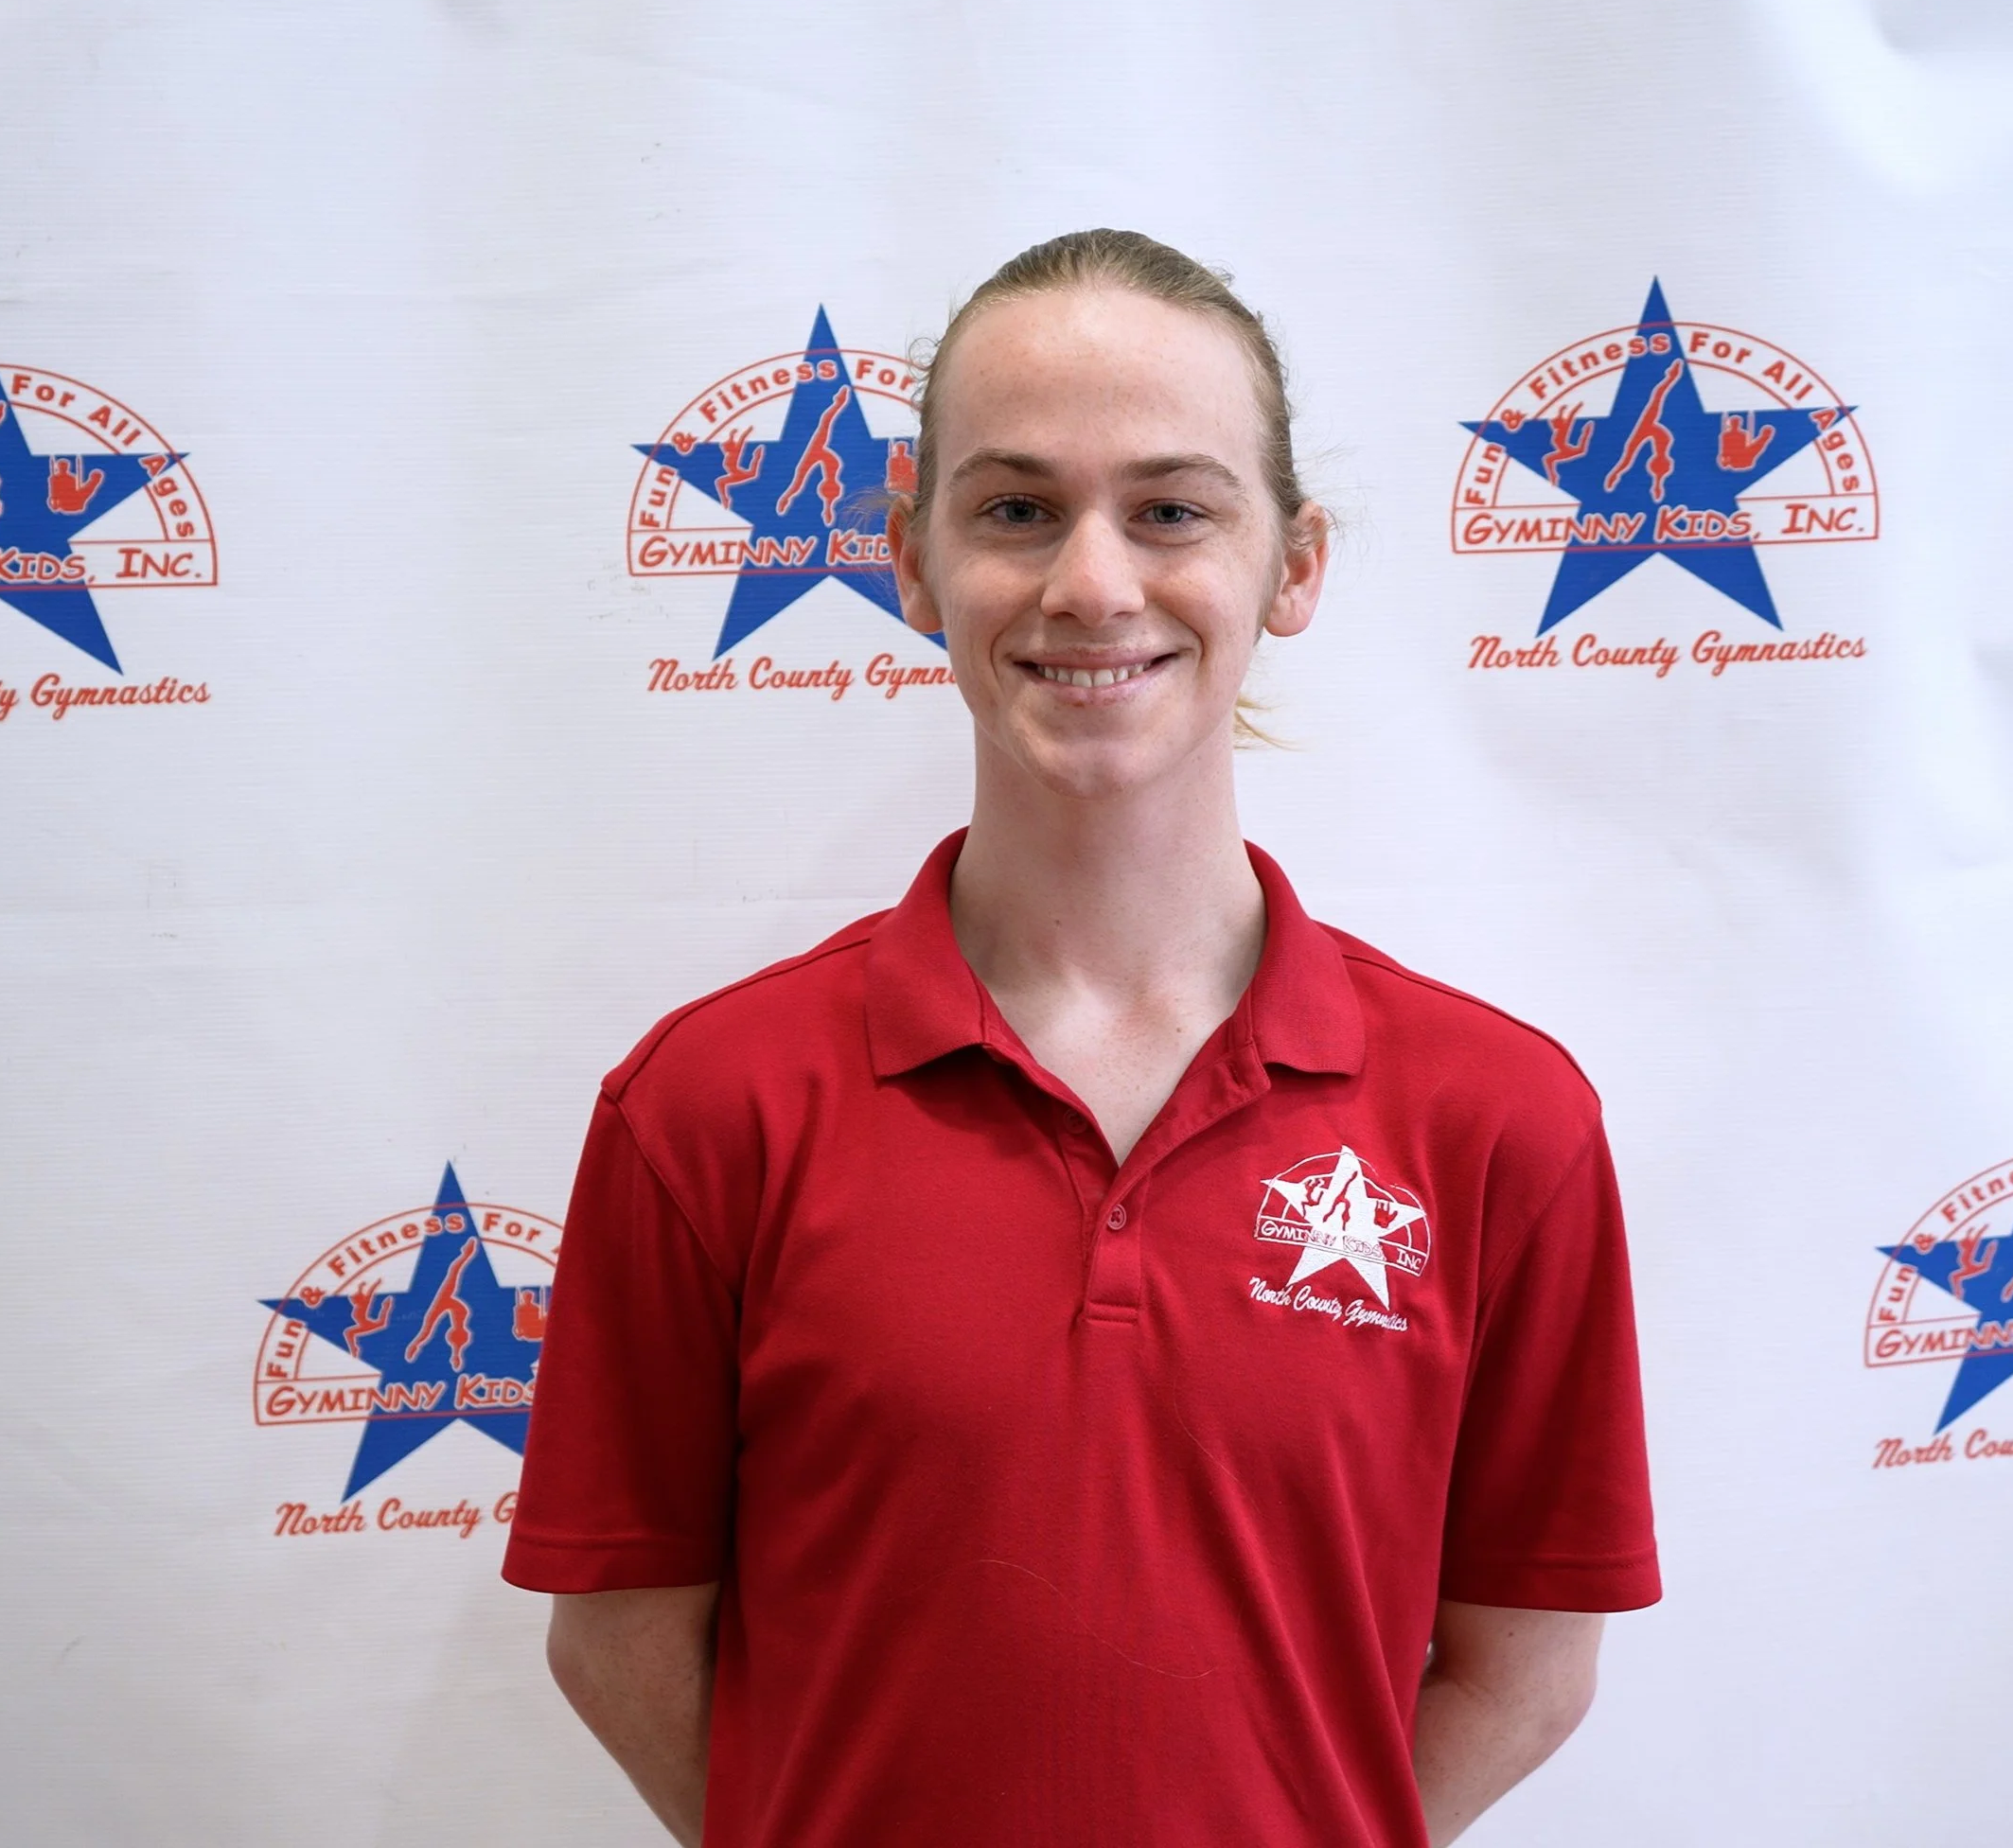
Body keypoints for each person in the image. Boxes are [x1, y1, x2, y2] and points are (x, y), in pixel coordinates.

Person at [503, 229, 1659, 1846]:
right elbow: (621, 1641)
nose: (1093, 583)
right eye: (1017, 510)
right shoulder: (710, 1107)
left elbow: (1524, 1671)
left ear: (1296, 564)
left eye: (1173, 510)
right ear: (911, 560)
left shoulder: (1497, 1120)